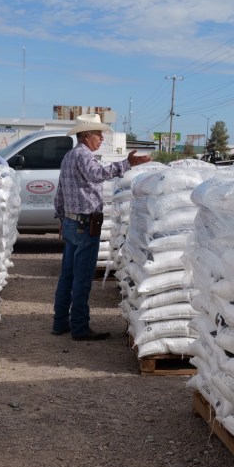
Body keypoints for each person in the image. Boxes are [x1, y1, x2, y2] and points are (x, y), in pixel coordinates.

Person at [53, 113, 152, 341]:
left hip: (71, 223)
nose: (102, 138)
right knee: (82, 278)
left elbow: (60, 192)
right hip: (85, 224)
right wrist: (127, 163)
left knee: (67, 276)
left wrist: (61, 218)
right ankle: (79, 327)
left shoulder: (69, 156)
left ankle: (60, 322)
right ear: (86, 135)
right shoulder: (83, 155)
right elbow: (97, 174)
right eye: (98, 134)